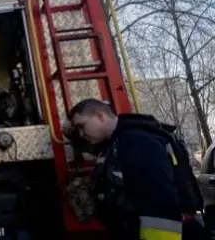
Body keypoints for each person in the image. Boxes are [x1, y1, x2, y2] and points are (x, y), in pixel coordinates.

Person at [67, 98, 205, 240]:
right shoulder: (116, 143)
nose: (81, 134)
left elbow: (159, 199)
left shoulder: (138, 141)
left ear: (100, 116)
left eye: (81, 126)